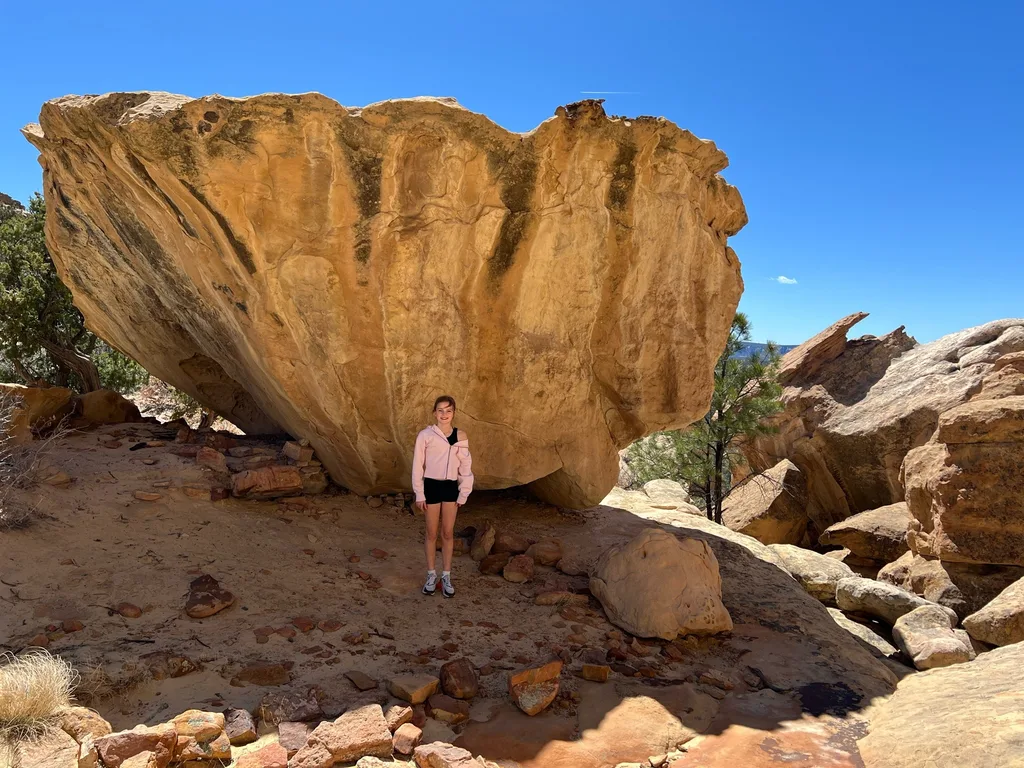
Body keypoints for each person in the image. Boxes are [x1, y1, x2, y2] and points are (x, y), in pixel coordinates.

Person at [411, 395, 474, 597]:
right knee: (431, 533)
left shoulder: (460, 436)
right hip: (431, 486)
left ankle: (446, 576)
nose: (444, 414)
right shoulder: (425, 435)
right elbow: (417, 465)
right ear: (434, 413)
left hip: (450, 488)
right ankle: (431, 575)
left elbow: (465, 466)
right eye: (440, 410)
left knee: (447, 533)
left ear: (454, 413)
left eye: (448, 410)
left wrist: (464, 492)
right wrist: (419, 493)